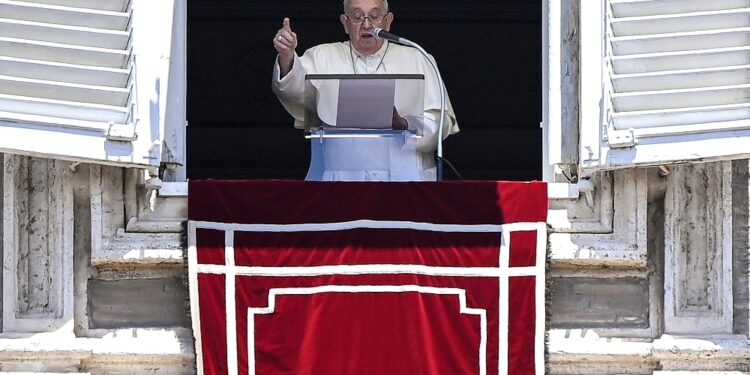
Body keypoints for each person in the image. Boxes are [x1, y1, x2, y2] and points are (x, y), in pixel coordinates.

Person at [272, 0, 459, 181]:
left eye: (375, 16)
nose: (367, 24)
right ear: (345, 23)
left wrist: (404, 124)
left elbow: (440, 121)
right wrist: (287, 57)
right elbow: (295, 93)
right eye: (357, 17)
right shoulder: (321, 56)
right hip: (341, 180)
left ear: (388, 21)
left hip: (404, 179)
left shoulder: (418, 57)